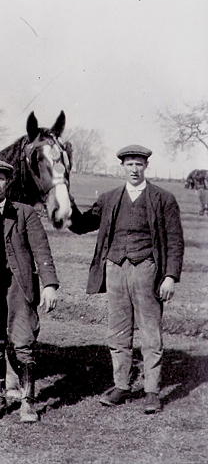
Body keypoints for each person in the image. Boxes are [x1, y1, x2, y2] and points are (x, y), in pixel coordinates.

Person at [69, 145, 183, 414]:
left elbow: (175, 241)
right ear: (122, 166)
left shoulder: (163, 198)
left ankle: (152, 391)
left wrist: (170, 276)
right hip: (115, 269)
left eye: (139, 164)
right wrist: (67, 205)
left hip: (147, 270)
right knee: (117, 330)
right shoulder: (110, 198)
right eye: (130, 164)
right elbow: (82, 224)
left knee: (150, 331)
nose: (134, 169)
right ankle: (121, 385)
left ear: (146, 167)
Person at [0, 160, 59, 423]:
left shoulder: (25, 212)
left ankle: (28, 403)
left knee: (23, 346)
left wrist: (49, 284)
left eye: (1, 179)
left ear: (8, 183)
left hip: (20, 289)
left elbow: (42, 250)